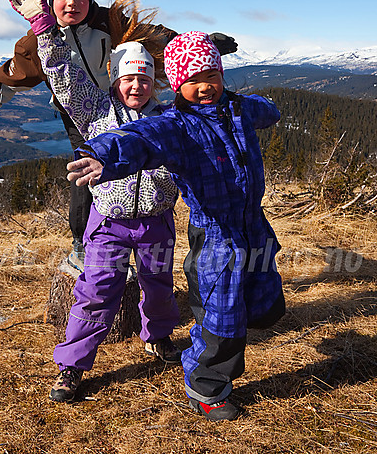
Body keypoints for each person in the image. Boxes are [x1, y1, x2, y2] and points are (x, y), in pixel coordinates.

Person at [66, 31, 286, 421]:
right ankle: (206, 386)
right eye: (193, 80)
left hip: (254, 224)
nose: (205, 87)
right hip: (217, 234)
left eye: (212, 76)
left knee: (264, 298)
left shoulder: (236, 109)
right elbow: (138, 138)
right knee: (221, 315)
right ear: (177, 85)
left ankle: (251, 319)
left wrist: (261, 106)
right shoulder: (176, 125)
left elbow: (266, 110)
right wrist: (101, 154)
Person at [0, 0, 238, 270]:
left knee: (142, 157)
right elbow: (6, 79)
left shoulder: (108, 21)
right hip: (80, 112)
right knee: (88, 168)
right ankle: (84, 242)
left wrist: (199, 43)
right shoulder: (35, 44)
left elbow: (154, 34)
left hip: (125, 101)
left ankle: (142, 225)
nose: (72, 3)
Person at [10, 0, 182, 402]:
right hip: (109, 223)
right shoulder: (96, 111)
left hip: (156, 221)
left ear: (154, 80)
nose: (136, 86)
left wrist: (199, 49)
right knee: (96, 292)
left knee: (158, 285)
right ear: (115, 79)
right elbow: (64, 76)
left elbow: (203, 99)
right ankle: (71, 366)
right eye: (128, 78)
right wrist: (43, 27)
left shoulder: (168, 117)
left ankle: (157, 338)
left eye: (143, 78)